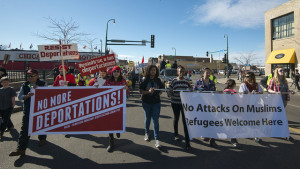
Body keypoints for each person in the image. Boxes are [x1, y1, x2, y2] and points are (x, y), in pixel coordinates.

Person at [9, 69, 47, 157]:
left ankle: (42, 138)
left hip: (40, 110)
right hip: (28, 109)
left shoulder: (42, 84)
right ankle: (21, 149)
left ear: (37, 76)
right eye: (28, 76)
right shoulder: (25, 84)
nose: (29, 77)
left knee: (41, 125)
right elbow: (20, 96)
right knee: (24, 129)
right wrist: (27, 96)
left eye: (32, 75)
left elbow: (49, 95)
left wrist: (40, 90)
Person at [103, 66, 129, 152]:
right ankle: (111, 142)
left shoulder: (123, 81)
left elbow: (127, 93)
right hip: (109, 106)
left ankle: (118, 130)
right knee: (110, 124)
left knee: (117, 122)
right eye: (114, 71)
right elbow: (101, 90)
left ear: (120, 72)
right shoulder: (108, 81)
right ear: (112, 73)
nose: (116, 73)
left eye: (118, 71)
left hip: (120, 106)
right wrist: (96, 84)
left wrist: (126, 89)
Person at [267, 67, 295, 142]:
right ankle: (271, 130)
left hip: (283, 100)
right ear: (277, 72)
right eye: (281, 70)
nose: (283, 71)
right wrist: (275, 92)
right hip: (275, 101)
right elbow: (269, 89)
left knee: (278, 116)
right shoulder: (273, 80)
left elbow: (287, 90)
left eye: (283, 70)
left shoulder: (285, 81)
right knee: (275, 116)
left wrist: (291, 91)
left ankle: (276, 130)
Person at [139, 65, 164, 148]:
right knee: (148, 118)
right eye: (151, 70)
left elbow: (162, 88)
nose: (153, 71)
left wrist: (159, 93)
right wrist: (148, 92)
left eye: (154, 70)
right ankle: (147, 133)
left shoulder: (158, 80)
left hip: (156, 102)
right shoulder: (144, 79)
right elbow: (140, 91)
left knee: (155, 120)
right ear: (148, 71)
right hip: (146, 102)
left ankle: (157, 139)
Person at [169, 66, 192, 150]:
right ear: (177, 72)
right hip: (175, 103)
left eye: (183, 71)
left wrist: (191, 91)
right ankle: (176, 134)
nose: (181, 73)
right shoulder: (174, 81)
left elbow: (191, 91)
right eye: (180, 71)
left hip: (184, 104)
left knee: (185, 122)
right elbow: (169, 93)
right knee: (176, 118)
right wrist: (170, 91)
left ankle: (187, 142)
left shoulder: (187, 81)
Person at [194, 68, 217, 146]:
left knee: (211, 120)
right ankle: (203, 133)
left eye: (209, 73)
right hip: (201, 105)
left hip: (210, 105)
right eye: (206, 73)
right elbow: (193, 93)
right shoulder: (198, 82)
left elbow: (214, 93)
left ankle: (212, 138)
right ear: (203, 73)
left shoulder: (212, 83)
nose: (208, 74)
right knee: (203, 120)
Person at [239, 71, 263, 143]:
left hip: (254, 105)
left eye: (248, 76)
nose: (246, 78)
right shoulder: (243, 85)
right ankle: (245, 132)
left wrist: (257, 92)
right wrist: (247, 93)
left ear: (252, 77)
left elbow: (261, 92)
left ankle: (255, 135)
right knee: (246, 120)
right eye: (245, 76)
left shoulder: (256, 85)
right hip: (245, 105)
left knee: (253, 121)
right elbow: (241, 94)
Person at [223, 79, 239, 147]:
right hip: (231, 110)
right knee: (232, 125)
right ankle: (233, 139)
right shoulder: (231, 92)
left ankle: (233, 138)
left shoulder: (225, 91)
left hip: (228, 110)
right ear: (233, 84)